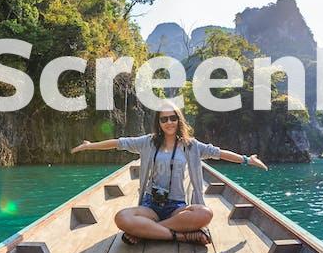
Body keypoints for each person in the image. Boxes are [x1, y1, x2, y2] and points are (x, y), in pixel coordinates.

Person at [70, 101, 268, 245]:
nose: (169, 122)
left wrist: (246, 160)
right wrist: (90, 146)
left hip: (177, 207)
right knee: (121, 218)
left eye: (173, 118)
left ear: (179, 119)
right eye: (164, 119)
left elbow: (219, 153)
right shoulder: (147, 142)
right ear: (159, 122)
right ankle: (181, 236)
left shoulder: (191, 146)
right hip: (151, 205)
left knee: (204, 213)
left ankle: (146, 231)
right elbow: (119, 143)